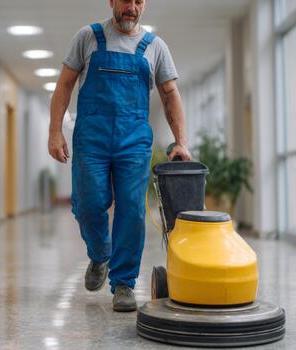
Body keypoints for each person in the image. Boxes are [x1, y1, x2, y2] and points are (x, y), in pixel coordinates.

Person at [48, 0, 190, 312]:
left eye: (138, 1)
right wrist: (55, 132)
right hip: (92, 137)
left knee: (131, 209)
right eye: (126, 0)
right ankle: (100, 254)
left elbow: (170, 94)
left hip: (133, 140)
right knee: (88, 204)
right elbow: (65, 85)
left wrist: (181, 141)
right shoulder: (88, 37)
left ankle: (123, 283)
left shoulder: (155, 47)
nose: (132, 7)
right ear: (112, 1)